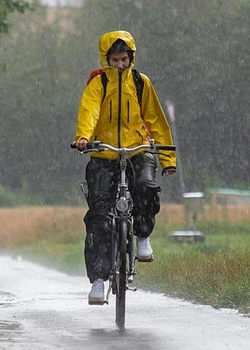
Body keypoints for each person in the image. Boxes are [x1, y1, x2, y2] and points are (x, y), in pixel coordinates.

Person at [71, 30, 176, 305]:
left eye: (124, 59)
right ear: (106, 59)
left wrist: (168, 160)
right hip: (104, 153)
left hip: (137, 150)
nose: (120, 64)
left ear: (131, 58)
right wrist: (84, 137)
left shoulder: (142, 83)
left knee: (145, 187)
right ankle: (98, 280)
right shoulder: (98, 83)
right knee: (98, 218)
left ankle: (142, 236)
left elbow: (156, 120)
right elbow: (90, 111)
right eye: (115, 59)